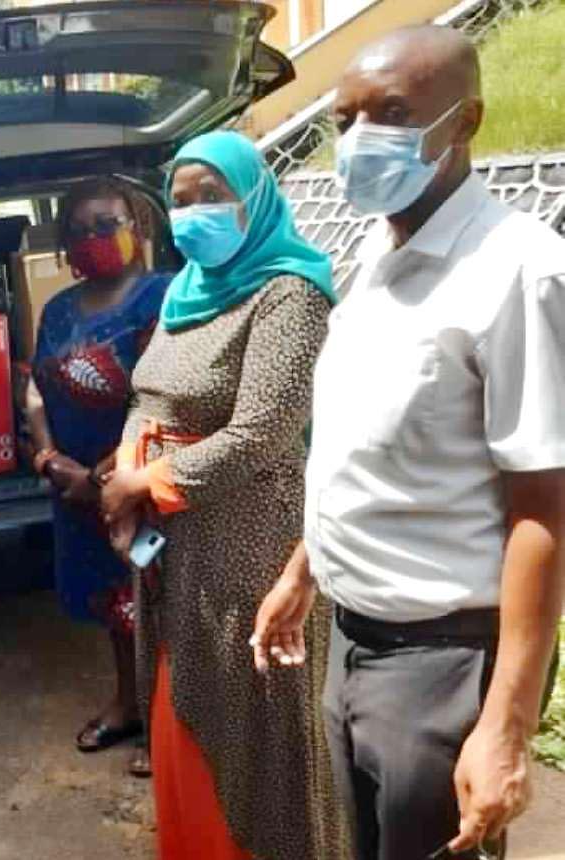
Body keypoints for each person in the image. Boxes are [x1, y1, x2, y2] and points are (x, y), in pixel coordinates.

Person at [250, 26, 565, 860]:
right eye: (346, 116)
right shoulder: (374, 253)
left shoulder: (519, 273)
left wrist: (506, 725)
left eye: (391, 113)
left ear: (466, 121)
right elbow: (360, 451)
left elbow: (546, 512)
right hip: (353, 641)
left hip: (442, 661)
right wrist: (302, 571)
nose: (358, 141)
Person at [99, 131, 345, 860]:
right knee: (184, 727)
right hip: (176, 555)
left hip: (254, 559)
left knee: (255, 743)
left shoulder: (290, 294)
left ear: (255, 199)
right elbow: (150, 395)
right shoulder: (184, 290)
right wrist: (124, 472)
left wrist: (145, 484)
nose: (194, 213)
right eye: (180, 200)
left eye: (213, 196)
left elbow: (262, 432)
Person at [25, 177, 169, 775]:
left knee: (158, 600)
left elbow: (163, 397)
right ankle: (128, 703)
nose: (94, 240)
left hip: (143, 485)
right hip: (75, 491)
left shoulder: (164, 296)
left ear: (136, 226)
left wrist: (107, 475)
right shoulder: (59, 307)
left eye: (106, 224)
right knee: (114, 605)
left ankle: (169, 724)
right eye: (79, 232)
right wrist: (51, 460)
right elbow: (35, 387)